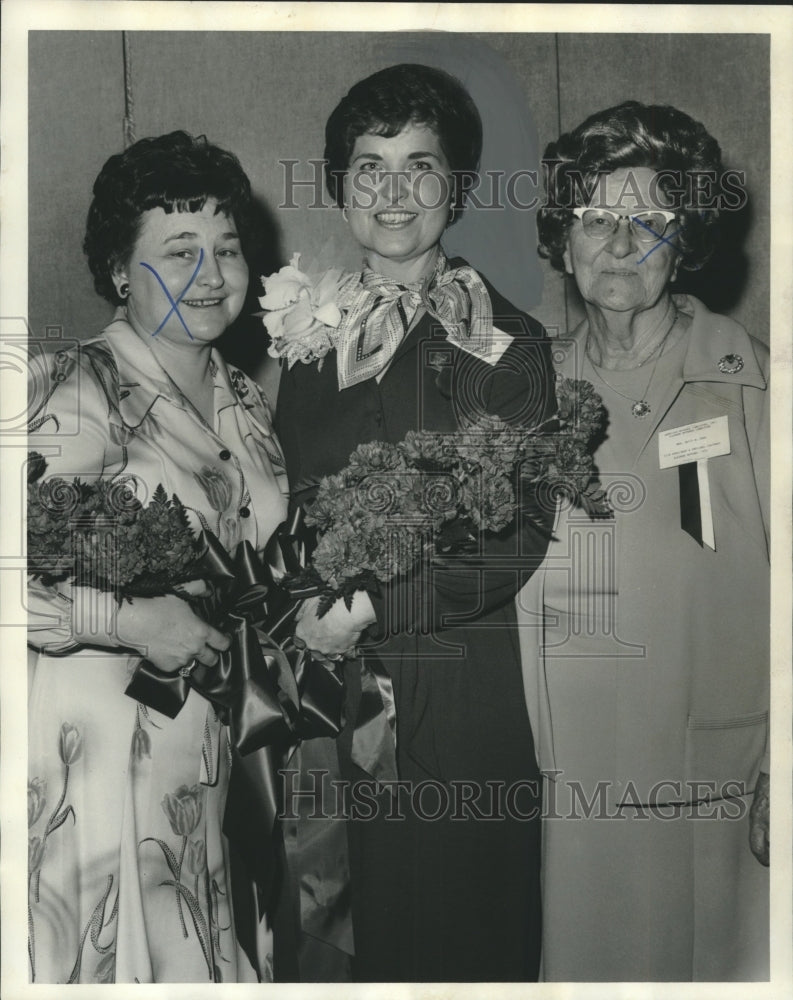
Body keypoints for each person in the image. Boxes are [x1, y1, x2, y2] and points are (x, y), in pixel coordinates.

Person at [275, 63, 556, 982]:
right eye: (368, 166)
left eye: (419, 165)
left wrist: (368, 611)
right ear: (338, 186)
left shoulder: (507, 344)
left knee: (456, 949)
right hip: (320, 703)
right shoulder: (307, 343)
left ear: (458, 186)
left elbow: (512, 534)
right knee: (334, 945)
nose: (393, 191)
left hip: (454, 701)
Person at [26, 131, 293, 983]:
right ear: (117, 272)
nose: (211, 276)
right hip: (95, 752)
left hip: (206, 748)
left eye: (226, 250)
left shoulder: (244, 397)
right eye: (178, 254)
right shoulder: (79, 388)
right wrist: (130, 618)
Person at [519, 101, 769, 981]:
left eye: (648, 220)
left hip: (712, 780)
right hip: (567, 782)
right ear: (562, 236)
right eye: (594, 217)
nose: (619, 243)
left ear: (685, 237)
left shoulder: (753, 386)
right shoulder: (522, 390)